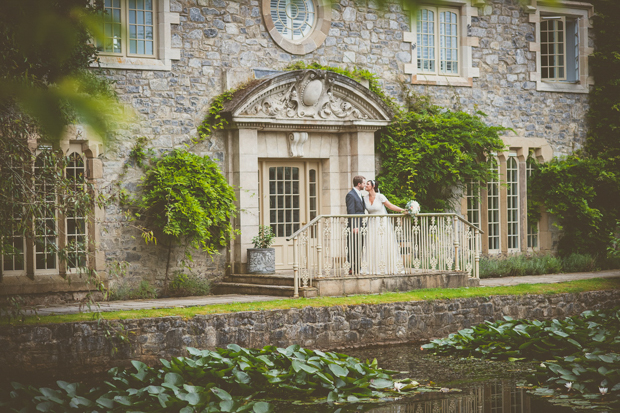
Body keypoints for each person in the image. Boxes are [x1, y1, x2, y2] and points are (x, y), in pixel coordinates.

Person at [361, 179, 408, 275]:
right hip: (371, 224)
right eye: (365, 184)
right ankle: (372, 268)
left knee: (383, 243)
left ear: (373, 186)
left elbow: (390, 206)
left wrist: (402, 210)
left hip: (382, 223)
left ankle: (388, 267)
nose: (366, 185)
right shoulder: (364, 198)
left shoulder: (380, 196)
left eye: (368, 184)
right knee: (372, 244)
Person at [345, 175, 366, 274]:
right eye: (364, 183)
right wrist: (354, 226)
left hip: (361, 225)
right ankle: (350, 268)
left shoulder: (359, 194)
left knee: (359, 246)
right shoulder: (351, 195)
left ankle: (357, 267)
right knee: (352, 246)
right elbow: (351, 211)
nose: (365, 185)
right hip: (355, 225)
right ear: (359, 184)